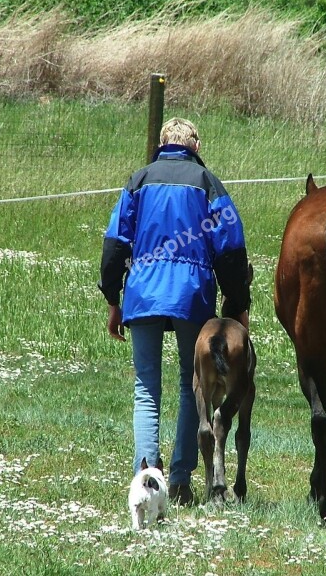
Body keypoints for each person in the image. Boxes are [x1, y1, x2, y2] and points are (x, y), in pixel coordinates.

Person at [98, 117, 250, 505]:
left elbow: (115, 243)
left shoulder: (138, 180)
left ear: (163, 144)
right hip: (190, 294)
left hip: (144, 293)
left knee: (146, 387)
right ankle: (181, 480)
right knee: (190, 384)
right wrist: (238, 305)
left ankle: (146, 476)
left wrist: (113, 298)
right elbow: (230, 248)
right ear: (195, 146)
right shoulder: (207, 183)